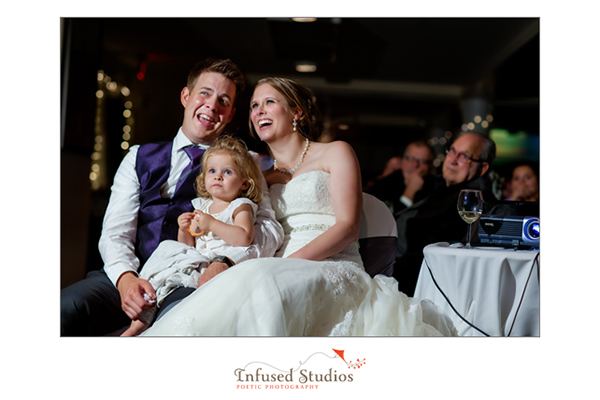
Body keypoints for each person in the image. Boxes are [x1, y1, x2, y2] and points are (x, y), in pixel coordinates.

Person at [141, 77, 457, 336]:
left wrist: (284, 265)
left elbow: (347, 227)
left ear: (296, 112)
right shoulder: (258, 179)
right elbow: (251, 234)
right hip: (270, 268)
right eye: (253, 105)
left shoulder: (336, 152)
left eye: (269, 102)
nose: (258, 110)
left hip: (331, 265)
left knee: (262, 289)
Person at [61, 59, 284, 336]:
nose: (212, 105)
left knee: (173, 330)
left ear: (230, 114)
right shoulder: (138, 156)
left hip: (191, 280)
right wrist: (126, 279)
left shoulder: (245, 163)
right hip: (131, 274)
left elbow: (269, 231)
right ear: (186, 96)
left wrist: (224, 262)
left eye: (223, 101)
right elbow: (115, 233)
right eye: (205, 93)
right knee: (66, 308)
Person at [121, 136, 264, 336]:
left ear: (244, 184)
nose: (218, 176)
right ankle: (142, 318)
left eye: (228, 172)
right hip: (196, 259)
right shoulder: (201, 205)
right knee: (168, 252)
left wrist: (212, 224)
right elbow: (187, 246)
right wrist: (183, 229)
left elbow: (244, 238)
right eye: (212, 171)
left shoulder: (240, 206)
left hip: (217, 266)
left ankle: (153, 318)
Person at [394, 131, 498, 296]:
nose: (453, 160)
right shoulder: (438, 187)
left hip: (412, 283)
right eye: (452, 151)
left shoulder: (470, 200)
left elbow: (431, 252)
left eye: (464, 156)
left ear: (482, 167)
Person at [367, 140, 435, 215]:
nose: (415, 164)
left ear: (430, 166)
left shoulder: (436, 188)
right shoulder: (383, 185)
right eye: (411, 159)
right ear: (403, 161)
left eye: (421, 160)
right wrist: (409, 193)